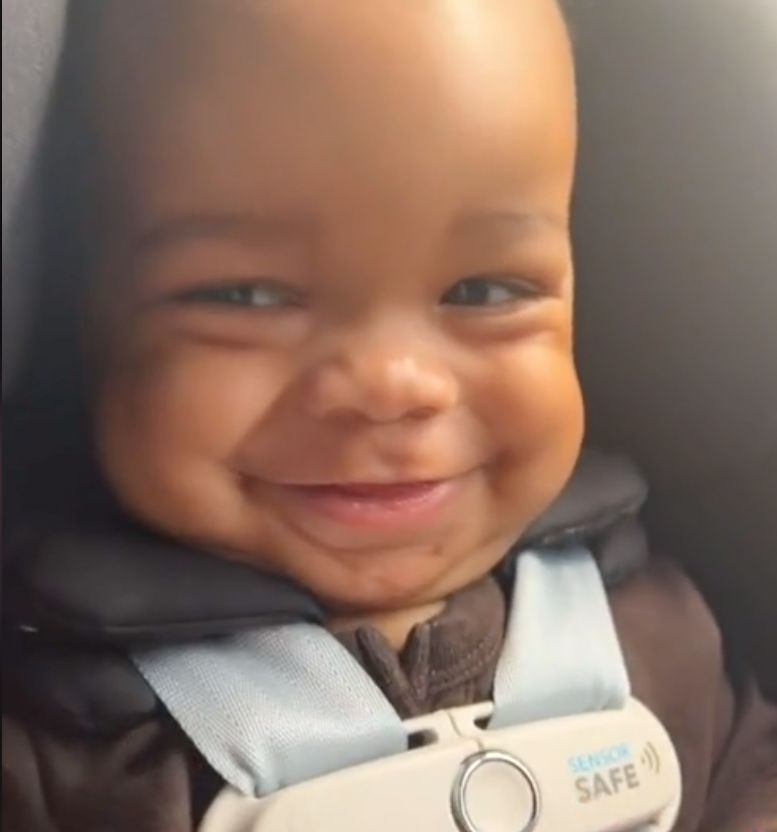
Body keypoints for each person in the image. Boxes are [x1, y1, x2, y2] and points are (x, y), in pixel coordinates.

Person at [2, 0, 775, 830]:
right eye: (245, 295)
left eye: (484, 290)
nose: (391, 385)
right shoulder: (55, 739)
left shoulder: (659, 635)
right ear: (81, 314)